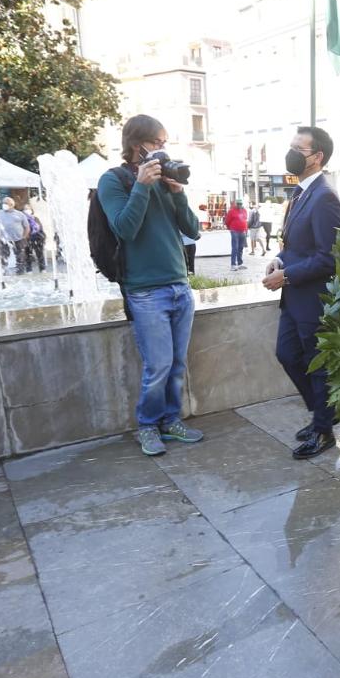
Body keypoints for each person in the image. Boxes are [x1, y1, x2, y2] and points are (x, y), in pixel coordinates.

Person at [97, 114, 205, 456]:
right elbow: (124, 229)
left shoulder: (164, 179)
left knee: (176, 363)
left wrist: (177, 194)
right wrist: (142, 185)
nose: (162, 150)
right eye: (157, 143)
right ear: (136, 144)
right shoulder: (113, 181)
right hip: (144, 290)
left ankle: (171, 421)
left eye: (163, 143)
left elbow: (193, 230)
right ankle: (147, 426)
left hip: (178, 284)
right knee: (157, 365)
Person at [263, 126, 340, 460]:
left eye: (299, 148)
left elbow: (330, 257)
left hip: (313, 300)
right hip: (294, 297)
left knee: (316, 365)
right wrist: (278, 259)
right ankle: (324, 413)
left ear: (317, 157)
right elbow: (297, 244)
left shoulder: (325, 196)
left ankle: (323, 431)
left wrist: (288, 276)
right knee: (287, 355)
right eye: (292, 146)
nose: (292, 153)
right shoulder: (299, 192)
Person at [0, 196, 30, 274]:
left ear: (12, 205)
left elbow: (26, 227)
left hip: (18, 239)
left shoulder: (20, 214)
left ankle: (20, 273)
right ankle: (3, 273)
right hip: (4, 240)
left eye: (6, 203)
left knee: (20, 258)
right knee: (3, 257)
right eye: (3, 203)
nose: (4, 204)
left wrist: (24, 237)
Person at [226, 198, 248, 271]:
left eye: (240, 204)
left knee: (241, 247)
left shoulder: (244, 211)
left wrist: (245, 229)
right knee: (235, 247)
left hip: (242, 231)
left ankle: (240, 263)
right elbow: (227, 221)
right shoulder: (231, 211)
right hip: (234, 231)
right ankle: (233, 264)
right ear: (236, 204)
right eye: (238, 204)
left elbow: (245, 220)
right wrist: (230, 228)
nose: (239, 205)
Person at [23, 204, 47, 273]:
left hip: (37, 238)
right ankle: (29, 270)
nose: (27, 210)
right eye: (25, 209)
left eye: (28, 208)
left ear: (31, 210)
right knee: (28, 255)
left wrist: (43, 237)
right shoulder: (23, 219)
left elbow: (40, 228)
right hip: (28, 239)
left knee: (40, 254)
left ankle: (42, 269)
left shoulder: (35, 218)